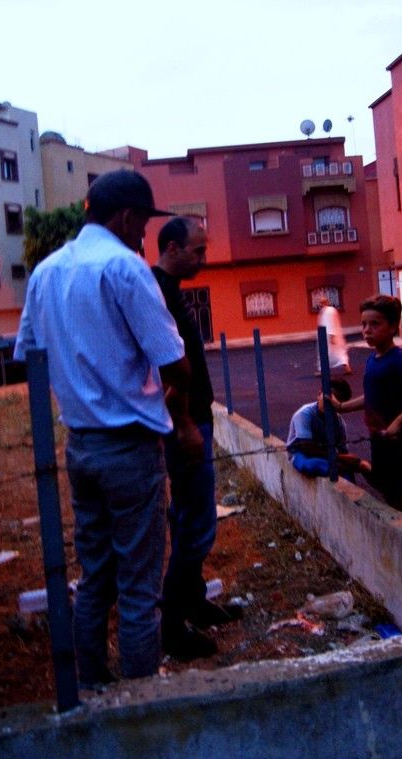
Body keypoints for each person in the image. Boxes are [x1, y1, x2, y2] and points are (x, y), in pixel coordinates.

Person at [15, 170, 203, 689]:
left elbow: (29, 358)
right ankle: (140, 704)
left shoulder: (46, 273)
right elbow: (175, 362)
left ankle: (93, 691)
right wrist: (182, 420)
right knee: (140, 589)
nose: (144, 234)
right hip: (130, 450)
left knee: (94, 578)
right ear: (125, 217)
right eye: (142, 223)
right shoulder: (125, 268)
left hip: (81, 448)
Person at [152, 216, 242, 662]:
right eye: (198, 251)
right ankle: (172, 628)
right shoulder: (156, 292)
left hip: (191, 419)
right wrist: (184, 424)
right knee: (196, 524)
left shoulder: (170, 290)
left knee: (189, 518)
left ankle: (192, 602)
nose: (204, 259)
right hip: (183, 424)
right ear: (172, 247)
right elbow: (168, 367)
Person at [328, 294, 402, 525]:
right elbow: (372, 397)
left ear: (394, 326)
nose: (367, 330)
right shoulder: (373, 359)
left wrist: (398, 422)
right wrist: (341, 407)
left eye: (375, 324)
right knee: (391, 494)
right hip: (381, 440)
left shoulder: (399, 359)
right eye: (364, 324)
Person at [286, 378, 371, 479]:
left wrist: (350, 462)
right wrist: (340, 458)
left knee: (347, 470)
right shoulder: (305, 414)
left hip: (325, 454)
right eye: (328, 397)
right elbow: (306, 447)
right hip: (300, 453)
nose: (330, 403)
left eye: (337, 400)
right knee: (316, 466)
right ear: (319, 394)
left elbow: (342, 449)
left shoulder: (338, 422)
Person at [315, 296, 352, 376]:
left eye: (321, 303)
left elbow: (329, 324)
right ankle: (347, 368)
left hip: (328, 335)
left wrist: (332, 335)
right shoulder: (329, 310)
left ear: (325, 302)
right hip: (332, 334)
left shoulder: (328, 311)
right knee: (339, 352)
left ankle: (322, 370)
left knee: (324, 352)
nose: (320, 304)